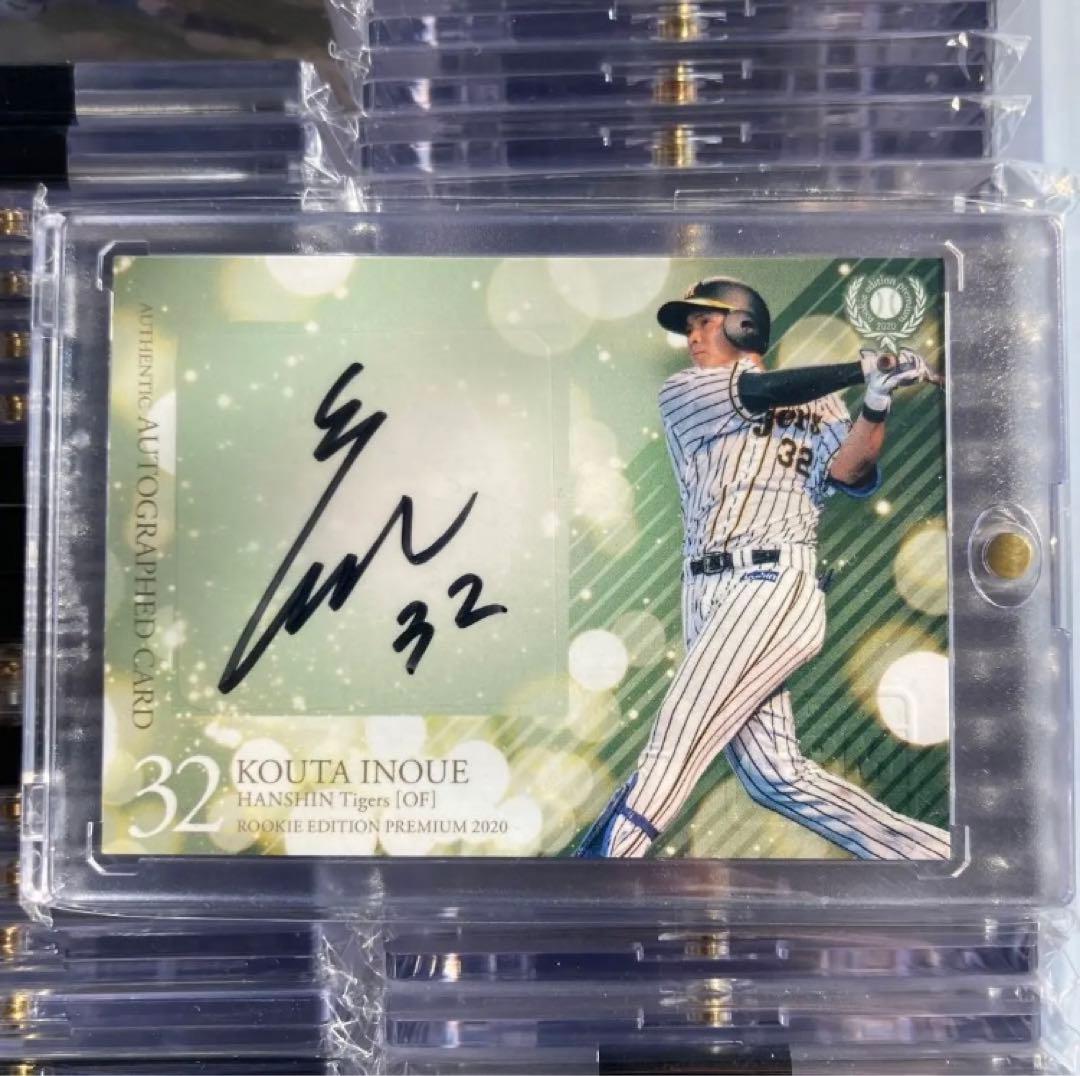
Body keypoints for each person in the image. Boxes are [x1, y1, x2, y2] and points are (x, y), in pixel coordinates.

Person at [575, 277, 951, 861]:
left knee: (680, 734)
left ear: (743, 325)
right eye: (690, 326)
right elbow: (757, 393)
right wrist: (860, 370)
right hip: (705, 591)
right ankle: (932, 855)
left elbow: (850, 473)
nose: (693, 336)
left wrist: (875, 400)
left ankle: (599, 872)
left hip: (773, 583)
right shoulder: (685, 391)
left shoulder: (820, 404)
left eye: (704, 321)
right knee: (775, 776)